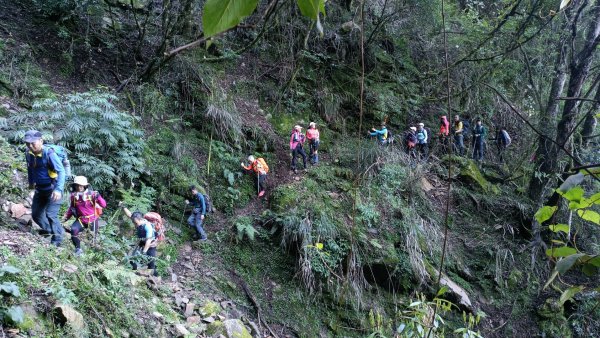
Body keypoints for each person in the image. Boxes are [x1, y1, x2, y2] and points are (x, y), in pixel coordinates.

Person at [24, 130, 65, 247]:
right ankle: (52, 231)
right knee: (36, 214)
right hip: (40, 189)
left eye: (33, 143)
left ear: (41, 141)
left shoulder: (49, 153)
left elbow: (61, 171)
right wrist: (31, 183)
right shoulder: (29, 153)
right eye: (28, 143)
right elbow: (30, 169)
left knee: (51, 214)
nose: (30, 146)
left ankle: (57, 242)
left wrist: (58, 189)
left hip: (53, 189)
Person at [62, 176, 106, 255]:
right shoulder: (74, 196)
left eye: (81, 185)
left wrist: (98, 197)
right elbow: (72, 209)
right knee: (73, 230)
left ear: (85, 186)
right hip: (81, 220)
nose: (79, 187)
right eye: (77, 185)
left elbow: (103, 205)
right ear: (75, 186)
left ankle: (91, 255)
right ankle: (78, 249)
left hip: (92, 219)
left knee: (92, 239)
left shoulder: (92, 195)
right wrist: (65, 218)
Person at [122, 207, 158, 277]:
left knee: (150, 262)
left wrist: (143, 253)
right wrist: (123, 207)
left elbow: (148, 240)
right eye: (133, 222)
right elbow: (129, 214)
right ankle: (134, 273)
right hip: (141, 242)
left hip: (150, 244)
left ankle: (155, 279)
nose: (134, 224)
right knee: (132, 258)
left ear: (140, 219)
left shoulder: (148, 226)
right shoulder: (135, 218)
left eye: (135, 222)